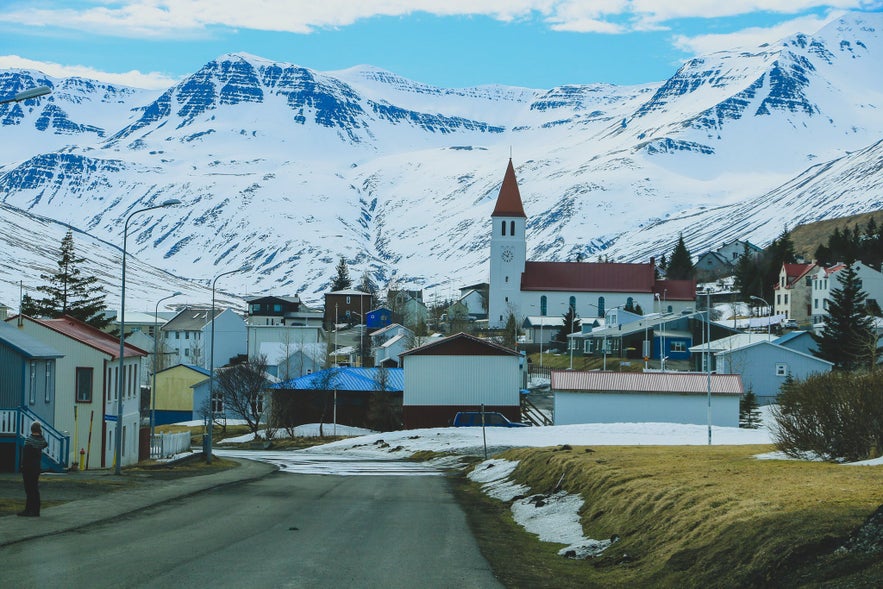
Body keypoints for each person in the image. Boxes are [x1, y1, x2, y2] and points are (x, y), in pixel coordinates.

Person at [20, 421, 48, 517]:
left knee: (28, 489)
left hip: (28, 467)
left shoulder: (29, 440)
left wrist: (22, 466)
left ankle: (28, 510)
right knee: (34, 489)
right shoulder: (41, 440)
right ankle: (36, 510)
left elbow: (26, 456)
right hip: (36, 467)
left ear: (31, 429)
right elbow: (45, 443)